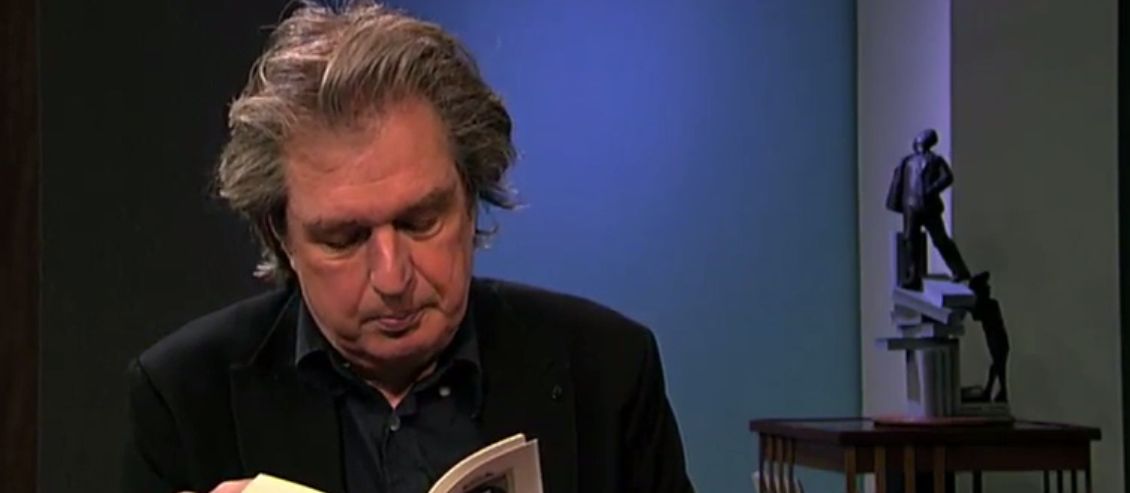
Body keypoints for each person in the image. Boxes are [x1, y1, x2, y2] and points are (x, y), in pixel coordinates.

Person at [121, 2, 694, 493]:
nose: (393, 279)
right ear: (281, 235)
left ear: (470, 201)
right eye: (344, 239)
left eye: (420, 222)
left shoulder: (608, 371)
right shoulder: (185, 397)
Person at [885, 129, 972, 288]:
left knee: (940, 240)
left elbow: (947, 177)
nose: (918, 141)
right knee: (910, 239)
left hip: (929, 206)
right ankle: (913, 275)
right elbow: (899, 183)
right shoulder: (907, 161)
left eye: (922, 138)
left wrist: (931, 189)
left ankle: (960, 270)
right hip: (910, 206)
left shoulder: (936, 160)